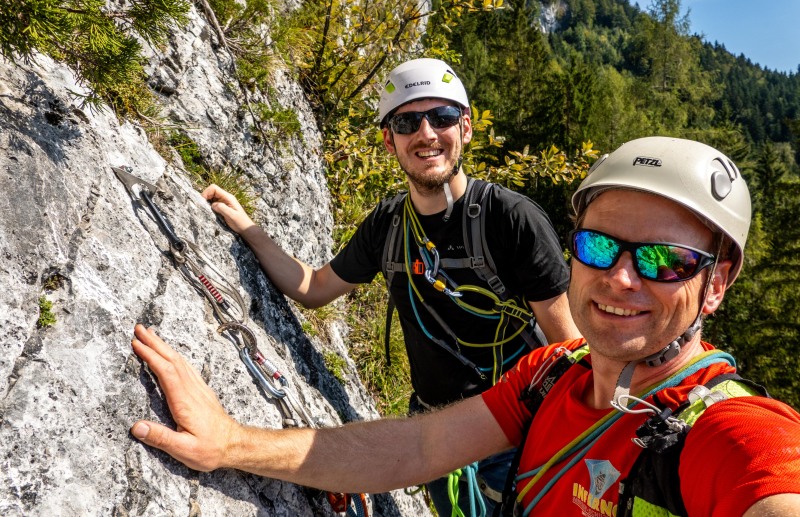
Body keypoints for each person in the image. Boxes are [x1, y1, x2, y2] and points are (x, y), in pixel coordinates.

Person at [130, 136, 800, 516]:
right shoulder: (550, 374)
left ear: (715, 281)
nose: (622, 277)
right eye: (600, 247)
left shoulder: (725, 433)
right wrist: (231, 441)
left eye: (663, 260)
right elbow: (416, 450)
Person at [198, 57, 581, 514]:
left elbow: (569, 350)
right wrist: (247, 228)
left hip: (511, 428)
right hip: (435, 434)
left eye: (441, 117)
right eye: (406, 121)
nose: (426, 134)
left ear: (466, 127)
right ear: (388, 140)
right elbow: (315, 288)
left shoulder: (510, 219)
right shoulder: (388, 225)